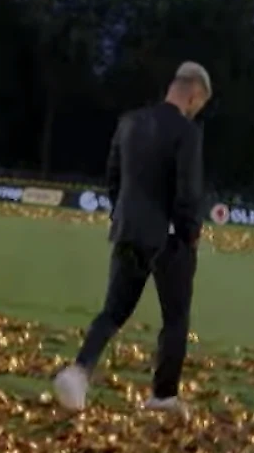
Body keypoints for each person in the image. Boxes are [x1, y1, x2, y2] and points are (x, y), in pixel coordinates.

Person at [53, 62, 211, 411]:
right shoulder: (187, 133)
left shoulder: (129, 123)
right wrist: (190, 233)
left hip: (128, 230)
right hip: (169, 240)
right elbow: (187, 192)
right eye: (199, 104)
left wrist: (124, 215)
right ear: (194, 94)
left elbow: (113, 178)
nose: (196, 110)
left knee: (113, 311)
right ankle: (163, 395)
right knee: (175, 319)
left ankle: (79, 372)